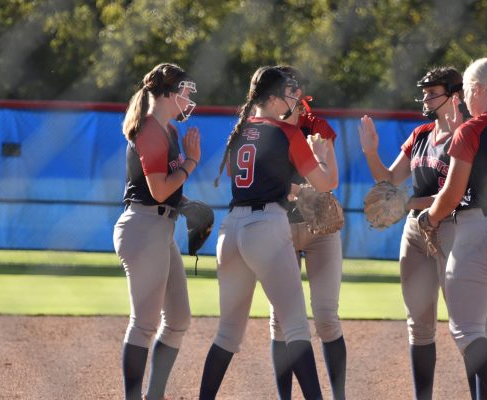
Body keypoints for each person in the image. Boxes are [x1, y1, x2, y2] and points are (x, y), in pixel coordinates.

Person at [199, 66, 337, 400]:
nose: (294, 99)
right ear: (273, 99)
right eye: (289, 94)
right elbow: (325, 185)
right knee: (295, 327)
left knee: (228, 333)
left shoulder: (242, 130)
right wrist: (323, 156)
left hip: (230, 230)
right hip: (266, 228)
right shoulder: (287, 133)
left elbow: (250, 175)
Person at [358, 67, 465, 400]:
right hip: (415, 231)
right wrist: (371, 152)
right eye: (425, 91)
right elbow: (389, 179)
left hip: (452, 228)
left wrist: (408, 202)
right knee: (419, 325)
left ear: (455, 96)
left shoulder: (467, 135)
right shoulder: (421, 134)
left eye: (433, 92)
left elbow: (455, 193)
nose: (425, 97)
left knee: (465, 324)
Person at [422, 57, 487, 399]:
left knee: (467, 333)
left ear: (478, 89)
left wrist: (430, 218)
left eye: (467, 89)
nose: (465, 97)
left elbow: (452, 193)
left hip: (478, 236)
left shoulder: (471, 128)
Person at [113, 62, 200, 400]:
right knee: (145, 323)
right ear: (166, 94)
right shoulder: (150, 129)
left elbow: (167, 193)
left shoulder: (169, 131)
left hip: (161, 227)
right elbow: (159, 190)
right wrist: (191, 162)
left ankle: (155, 396)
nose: (189, 97)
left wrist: (188, 205)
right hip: (143, 227)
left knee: (178, 319)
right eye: (185, 91)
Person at [268, 65, 346, 400]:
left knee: (326, 317)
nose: (296, 97)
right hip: (279, 228)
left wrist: (319, 159)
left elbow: (331, 180)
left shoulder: (316, 127)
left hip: (319, 229)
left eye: (298, 91)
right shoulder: (264, 129)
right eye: (289, 90)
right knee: (280, 320)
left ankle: (339, 396)